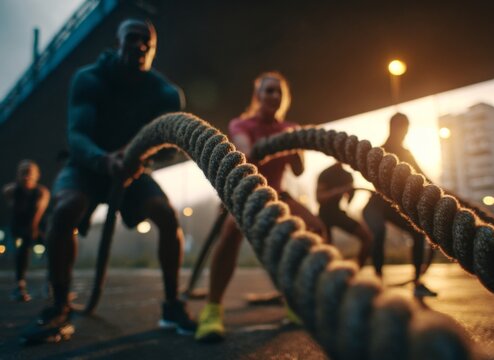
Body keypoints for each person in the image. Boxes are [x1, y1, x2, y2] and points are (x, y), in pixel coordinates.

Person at [21, 19, 195, 344]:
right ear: (118, 41)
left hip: (132, 170)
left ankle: (172, 305)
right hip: (87, 166)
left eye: (147, 41)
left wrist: (139, 160)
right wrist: (103, 159)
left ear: (153, 49)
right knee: (65, 210)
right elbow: (77, 134)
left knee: (167, 216)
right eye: (132, 38)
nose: (140, 45)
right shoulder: (90, 79)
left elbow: (170, 148)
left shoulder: (165, 93)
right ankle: (59, 305)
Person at [195, 71, 328, 342]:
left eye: (278, 91)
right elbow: (245, 152)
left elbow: (299, 170)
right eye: (268, 91)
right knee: (232, 231)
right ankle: (212, 308)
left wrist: (297, 144)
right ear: (258, 96)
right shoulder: (242, 124)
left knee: (315, 228)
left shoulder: (289, 127)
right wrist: (274, 143)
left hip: (278, 193)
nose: (274, 96)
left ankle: (293, 298)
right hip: (248, 192)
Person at [362, 112, 437, 298]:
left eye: (406, 128)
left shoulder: (407, 153)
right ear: (393, 127)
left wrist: (439, 191)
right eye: (401, 127)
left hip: (394, 207)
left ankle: (418, 282)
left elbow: (423, 178)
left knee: (418, 233)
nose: (404, 132)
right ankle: (378, 280)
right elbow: (369, 176)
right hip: (376, 205)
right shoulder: (379, 150)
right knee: (379, 231)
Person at [3, 160, 50, 302]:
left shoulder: (42, 192)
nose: (26, 176)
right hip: (19, 226)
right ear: (18, 174)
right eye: (23, 173)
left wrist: (34, 228)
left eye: (30, 173)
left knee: (53, 248)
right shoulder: (10, 190)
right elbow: (11, 204)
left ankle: (51, 283)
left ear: (37, 175)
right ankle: (20, 285)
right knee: (22, 249)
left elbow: (38, 212)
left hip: (37, 224)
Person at [316, 162, 372, 267]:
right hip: (324, 214)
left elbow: (348, 201)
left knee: (367, 238)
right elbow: (319, 198)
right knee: (326, 249)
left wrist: (351, 194)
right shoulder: (326, 173)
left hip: (338, 213)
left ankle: (355, 269)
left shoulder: (348, 175)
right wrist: (340, 190)